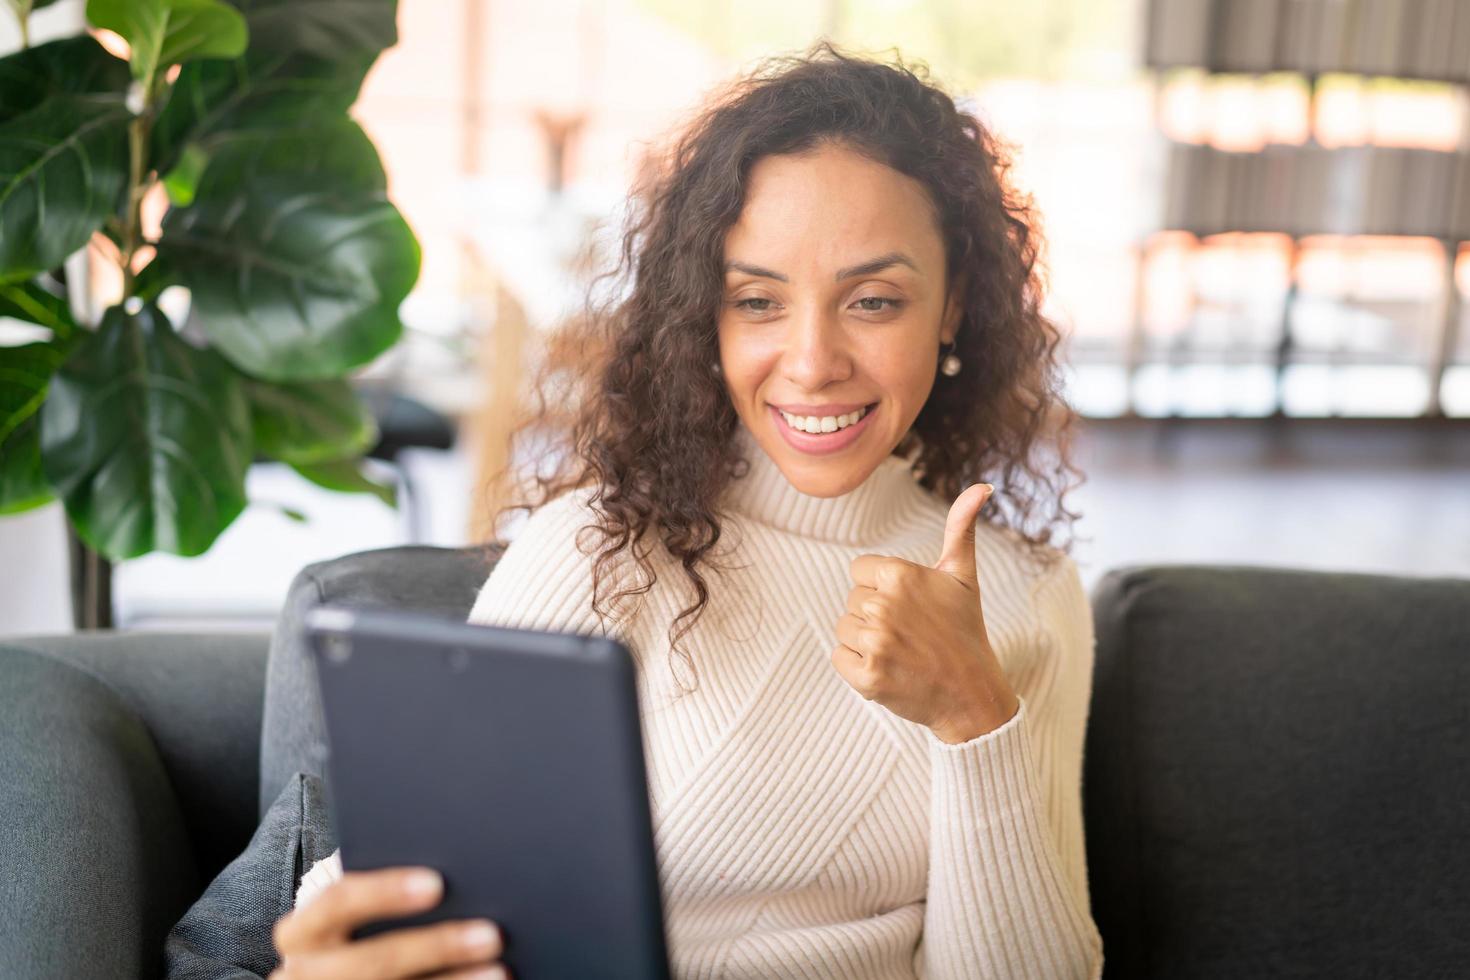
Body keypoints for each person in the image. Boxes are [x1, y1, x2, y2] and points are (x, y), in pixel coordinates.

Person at [264, 41, 1101, 980]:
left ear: (952, 310)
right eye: (757, 301)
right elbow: (419, 872)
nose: (813, 360)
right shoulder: (602, 550)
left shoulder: (1029, 597)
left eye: (873, 300)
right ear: (706, 315)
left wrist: (973, 715)